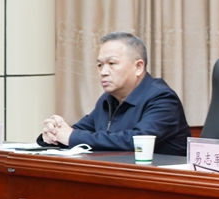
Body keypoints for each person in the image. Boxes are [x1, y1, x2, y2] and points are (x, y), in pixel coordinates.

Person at [39, 32, 191, 155]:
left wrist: (71, 136)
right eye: (100, 65)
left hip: (160, 179)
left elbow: (136, 141)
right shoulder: (108, 100)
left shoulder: (162, 98)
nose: (103, 72)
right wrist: (53, 134)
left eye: (111, 64)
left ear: (138, 67)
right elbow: (79, 131)